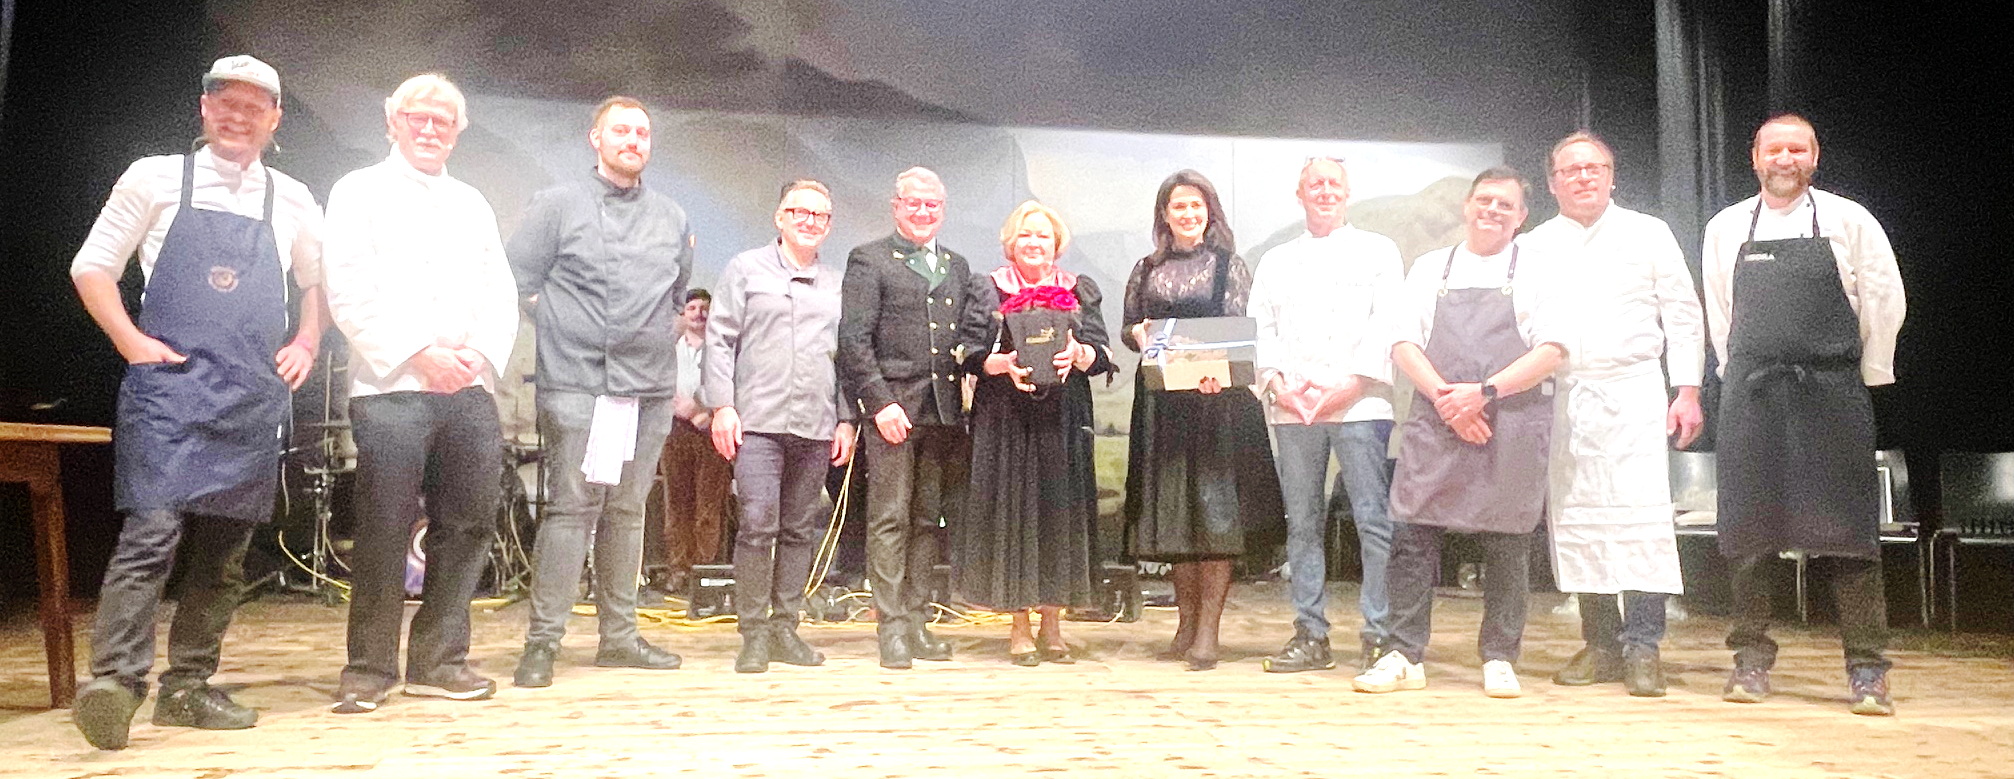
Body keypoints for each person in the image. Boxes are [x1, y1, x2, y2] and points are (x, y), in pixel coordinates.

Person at [68, 55, 327, 750]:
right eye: (226, 104)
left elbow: (318, 281)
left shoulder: (292, 197)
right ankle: (115, 683)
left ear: (274, 119)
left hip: (249, 395)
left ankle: (186, 686)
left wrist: (306, 340)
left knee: (224, 553)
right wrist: (129, 341)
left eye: (254, 108)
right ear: (205, 109)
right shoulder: (153, 178)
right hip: (170, 390)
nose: (239, 117)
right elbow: (92, 266)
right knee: (151, 535)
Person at [322, 73, 520, 713]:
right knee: (384, 527)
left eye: (444, 120)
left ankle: (438, 661)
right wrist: (418, 354)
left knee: (466, 526)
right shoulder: (357, 191)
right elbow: (346, 288)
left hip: (466, 386)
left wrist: (479, 355)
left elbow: (501, 292)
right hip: (390, 388)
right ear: (393, 123)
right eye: (418, 117)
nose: (431, 128)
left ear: (457, 132)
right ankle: (369, 668)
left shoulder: (472, 202)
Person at [1701, 113, 1905, 716]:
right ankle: (1750, 660)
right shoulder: (1726, 227)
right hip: (1754, 393)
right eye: (1774, 149)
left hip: (1831, 391)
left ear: (1814, 157)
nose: (1785, 159)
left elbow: (1884, 298)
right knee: (1748, 533)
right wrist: (1736, 370)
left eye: (1797, 148)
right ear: (1755, 158)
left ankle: (1867, 669)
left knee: (1850, 537)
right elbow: (1720, 309)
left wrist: (1867, 369)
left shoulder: (1849, 219)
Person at [1352, 167, 1566, 699]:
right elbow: (1403, 342)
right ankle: (1403, 654)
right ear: (1467, 206)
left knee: (1508, 543)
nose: (1492, 210)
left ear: (1521, 217)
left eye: (1505, 205)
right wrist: (1450, 402)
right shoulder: (1432, 267)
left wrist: (1484, 393)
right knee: (1413, 536)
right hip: (1437, 417)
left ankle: (1499, 656)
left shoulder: (1540, 269)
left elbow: (1553, 350)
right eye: (1484, 200)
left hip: (1510, 419)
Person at [507, 96, 694, 687]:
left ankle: (619, 638)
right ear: (596, 138)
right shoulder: (556, 205)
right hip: (579, 383)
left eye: (642, 132)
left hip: (648, 388)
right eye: (621, 130)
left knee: (629, 511)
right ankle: (542, 643)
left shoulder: (672, 216)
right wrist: (564, 325)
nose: (633, 140)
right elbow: (516, 280)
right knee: (571, 510)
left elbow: (676, 295)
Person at [1526, 131, 1705, 697]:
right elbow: (1525, 323)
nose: (1583, 177)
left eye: (1594, 167)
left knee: (1641, 522)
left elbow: (1682, 314)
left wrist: (1688, 389)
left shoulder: (1648, 233)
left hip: (1634, 392)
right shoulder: (1534, 245)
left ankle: (1643, 645)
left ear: (1611, 175)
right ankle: (1600, 643)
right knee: (1578, 522)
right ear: (1553, 182)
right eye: (1571, 170)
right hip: (1567, 395)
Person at [1121, 169, 1284, 672]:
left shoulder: (1229, 267)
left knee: (1216, 518)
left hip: (1219, 406)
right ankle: (1185, 622)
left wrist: (1217, 371)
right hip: (1164, 407)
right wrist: (1140, 335)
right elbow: (1129, 328)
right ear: (1164, 214)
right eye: (1179, 205)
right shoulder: (1146, 268)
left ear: (1209, 212)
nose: (1188, 213)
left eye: (1197, 205)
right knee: (1176, 514)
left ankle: (1208, 630)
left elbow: (1238, 330)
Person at [1248, 157, 1405, 673]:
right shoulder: (1275, 261)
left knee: (1372, 520)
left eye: (1334, 183)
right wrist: (1278, 386)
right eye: (1315, 184)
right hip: (1295, 408)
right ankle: (1311, 633)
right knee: (1302, 522)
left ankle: (1378, 634)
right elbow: (1260, 329)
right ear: (1300, 195)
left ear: (1348, 192)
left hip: (1361, 403)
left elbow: (1388, 323)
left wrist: (1350, 386)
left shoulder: (1379, 251)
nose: (1325, 191)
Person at [954, 201, 1114, 665]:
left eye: (1043, 235)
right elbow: (966, 351)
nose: (1034, 243)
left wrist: (1079, 355)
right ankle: (1019, 626)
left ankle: (1053, 624)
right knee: (1014, 514)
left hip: (1063, 418)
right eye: (1025, 235)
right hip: (1006, 417)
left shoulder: (1079, 289)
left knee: (1058, 514)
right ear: (1011, 243)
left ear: (1056, 244)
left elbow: (1102, 354)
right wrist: (999, 364)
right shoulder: (987, 289)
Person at [707, 180, 857, 673]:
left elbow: (847, 357)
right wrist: (722, 406)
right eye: (799, 211)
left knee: (799, 529)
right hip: (757, 423)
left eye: (820, 215)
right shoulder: (745, 269)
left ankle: (785, 628)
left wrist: (846, 419)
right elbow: (719, 339)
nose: (809, 221)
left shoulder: (837, 283)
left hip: (816, 424)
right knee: (757, 524)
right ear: (779, 217)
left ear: (828, 225)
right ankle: (753, 633)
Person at [838, 167, 970, 668]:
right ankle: (890, 628)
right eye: (913, 202)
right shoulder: (868, 259)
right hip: (892, 412)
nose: (922, 211)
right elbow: (853, 341)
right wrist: (879, 403)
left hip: (942, 413)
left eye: (931, 204)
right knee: (889, 519)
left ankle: (916, 623)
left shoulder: (956, 265)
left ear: (943, 210)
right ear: (896, 207)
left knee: (927, 522)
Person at [643, 289, 732, 601]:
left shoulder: (720, 350)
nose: (698, 313)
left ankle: (704, 571)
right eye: (692, 308)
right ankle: (678, 569)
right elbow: (655, 383)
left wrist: (703, 411)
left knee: (709, 504)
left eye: (704, 308)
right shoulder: (670, 349)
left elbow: (728, 382)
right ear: (682, 314)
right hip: (675, 431)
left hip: (710, 430)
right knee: (676, 503)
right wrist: (678, 409)